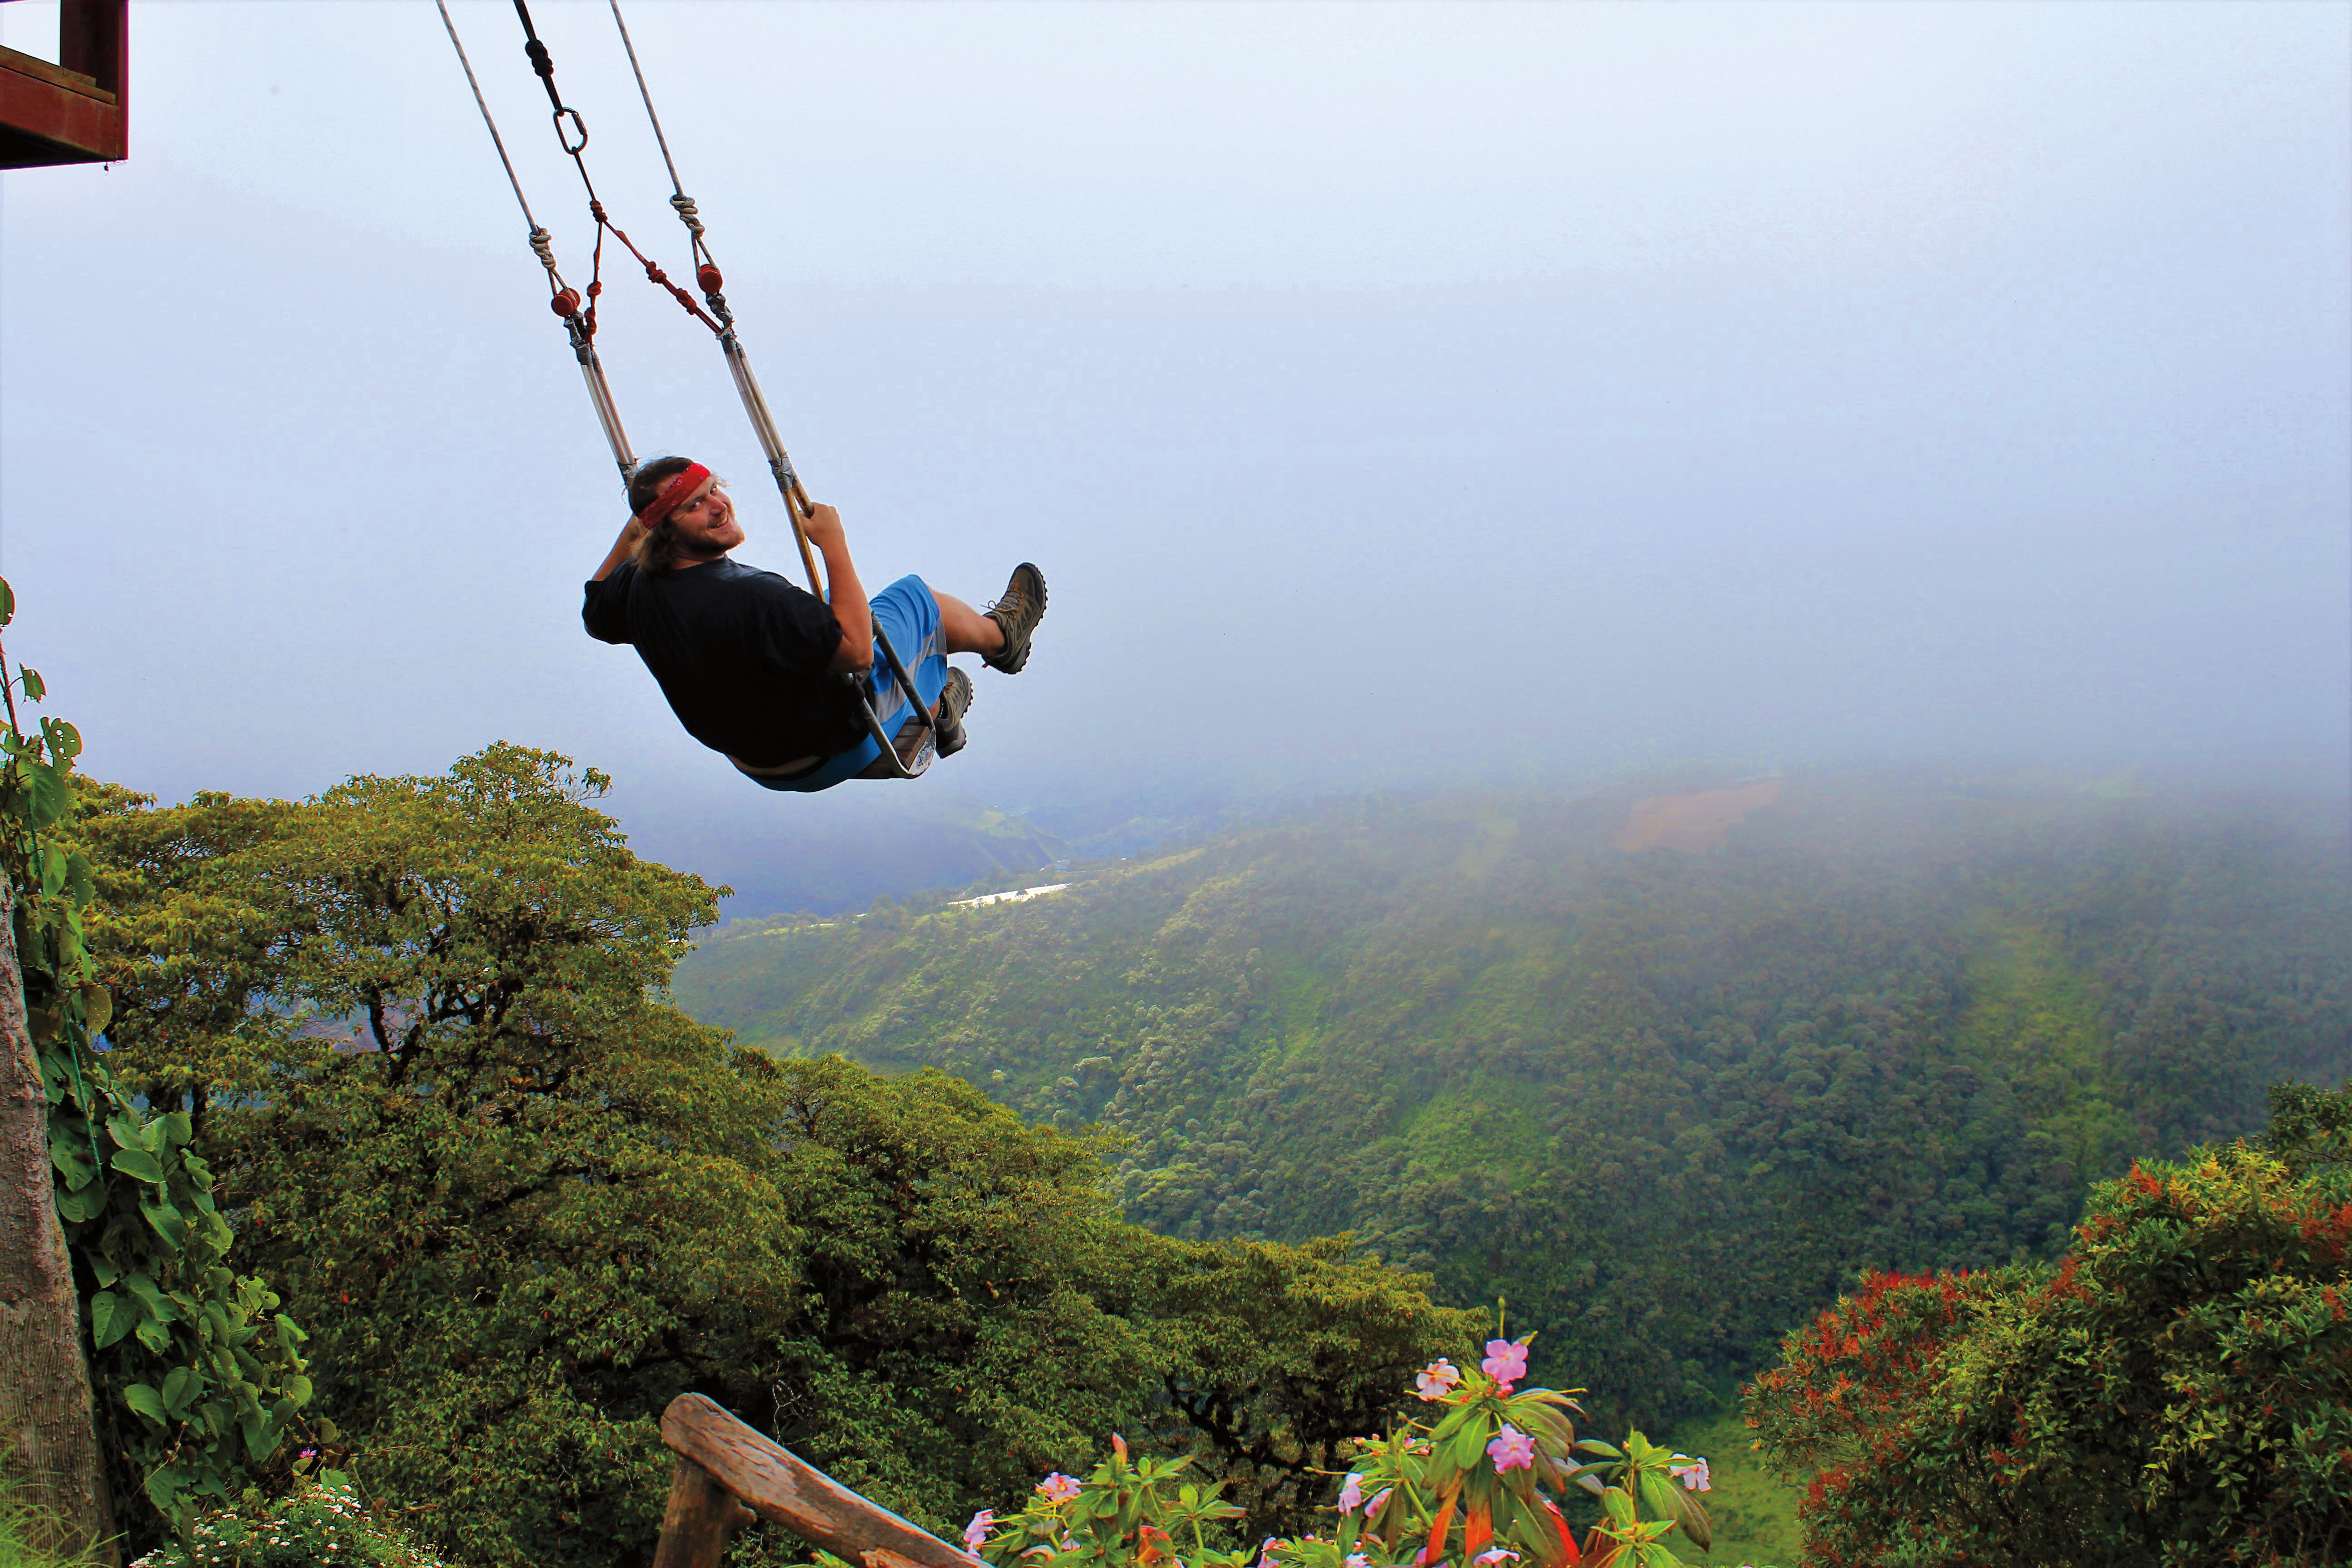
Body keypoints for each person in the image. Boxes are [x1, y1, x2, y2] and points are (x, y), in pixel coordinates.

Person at [582, 455, 1045, 793]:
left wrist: (632, 535)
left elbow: (595, 614)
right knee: (913, 600)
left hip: (761, 762)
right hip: (829, 748)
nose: (719, 506)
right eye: (694, 507)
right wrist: (833, 545)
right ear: (665, 531)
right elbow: (857, 652)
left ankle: (940, 711)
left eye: (713, 491)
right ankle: (1002, 640)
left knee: (821, 608)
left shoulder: (635, 588)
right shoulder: (754, 598)